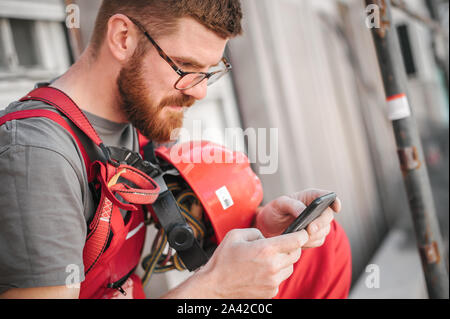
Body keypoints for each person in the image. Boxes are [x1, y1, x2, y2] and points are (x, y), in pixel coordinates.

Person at [0, 0, 351, 299]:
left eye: (209, 72)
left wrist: (261, 231)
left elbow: (191, 234)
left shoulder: (135, 124)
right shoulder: (39, 155)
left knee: (318, 252)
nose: (200, 92)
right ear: (123, 38)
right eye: (186, 67)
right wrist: (212, 288)